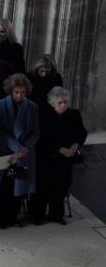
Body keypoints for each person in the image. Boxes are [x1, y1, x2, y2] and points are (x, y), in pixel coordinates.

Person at [31, 86, 87, 225]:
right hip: (47, 157)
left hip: (65, 159)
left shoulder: (73, 114)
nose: (63, 105)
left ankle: (56, 215)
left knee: (61, 187)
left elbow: (81, 133)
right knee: (42, 188)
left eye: (65, 102)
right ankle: (37, 215)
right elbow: (40, 138)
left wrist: (75, 146)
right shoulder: (43, 115)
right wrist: (59, 149)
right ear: (52, 103)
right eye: (59, 103)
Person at [0, 73, 39, 228]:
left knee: (19, 186)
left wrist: (25, 148)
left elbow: (35, 132)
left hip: (24, 152)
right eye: (17, 92)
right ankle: (0, 219)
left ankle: (13, 217)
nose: (20, 95)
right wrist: (17, 148)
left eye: (23, 92)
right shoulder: (0, 105)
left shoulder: (32, 107)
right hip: (6, 150)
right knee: (3, 186)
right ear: (11, 91)